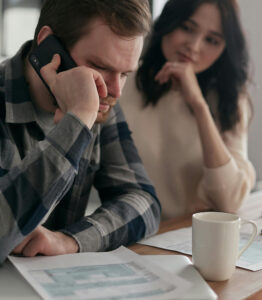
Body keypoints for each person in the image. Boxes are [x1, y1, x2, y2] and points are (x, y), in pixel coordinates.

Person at [0, 0, 161, 263]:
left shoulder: (101, 100)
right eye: (101, 67)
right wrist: (77, 120)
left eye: (124, 74)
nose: (114, 91)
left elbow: (144, 201)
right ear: (48, 45)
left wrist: (69, 241)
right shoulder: (89, 104)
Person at [120, 0, 256, 220]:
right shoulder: (123, 83)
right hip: (132, 236)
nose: (194, 46)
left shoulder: (228, 100)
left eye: (211, 40)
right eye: (186, 28)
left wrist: (198, 105)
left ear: (225, 48)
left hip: (189, 239)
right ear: (168, 22)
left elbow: (229, 201)